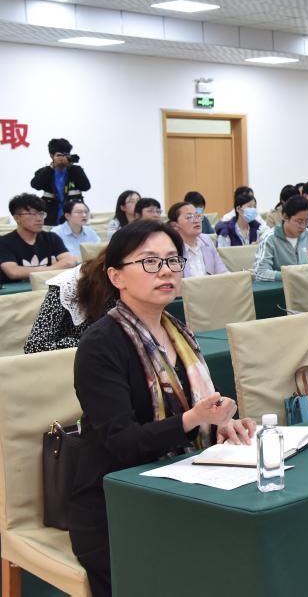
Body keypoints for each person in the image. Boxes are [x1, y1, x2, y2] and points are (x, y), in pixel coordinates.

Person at [70, 219, 255, 597]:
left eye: (173, 260)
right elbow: (122, 442)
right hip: (117, 502)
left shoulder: (176, 330)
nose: (166, 271)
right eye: (150, 262)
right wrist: (194, 419)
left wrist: (222, 423)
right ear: (116, 277)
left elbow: (190, 408)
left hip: (181, 477)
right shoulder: (101, 344)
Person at [24, 254, 119, 353]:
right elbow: (34, 346)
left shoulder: (125, 289)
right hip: (72, 358)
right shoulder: (68, 286)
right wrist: (92, 344)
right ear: (112, 272)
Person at [0, 193, 76, 284]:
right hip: (17, 291)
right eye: (32, 214)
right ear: (17, 218)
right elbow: (13, 272)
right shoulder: (4, 242)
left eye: (41, 214)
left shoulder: (51, 237)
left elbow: (69, 262)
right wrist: (53, 268)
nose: (39, 219)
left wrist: (47, 270)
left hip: (47, 287)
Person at [253, 195, 308, 282]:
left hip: (307, 286)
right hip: (281, 287)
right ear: (285, 217)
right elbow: (260, 272)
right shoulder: (270, 239)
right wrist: (291, 275)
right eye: (299, 222)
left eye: (307, 221)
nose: (303, 226)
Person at [31, 138, 91, 226]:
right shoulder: (45, 171)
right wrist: (52, 167)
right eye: (59, 155)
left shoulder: (75, 170)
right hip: (51, 217)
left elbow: (86, 187)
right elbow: (35, 185)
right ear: (52, 155)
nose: (63, 158)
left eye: (65, 155)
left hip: (73, 217)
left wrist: (71, 167)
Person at [167, 202, 228, 278]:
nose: (196, 220)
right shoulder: (171, 247)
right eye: (189, 217)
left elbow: (222, 272)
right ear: (175, 225)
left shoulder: (206, 240)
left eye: (198, 216)